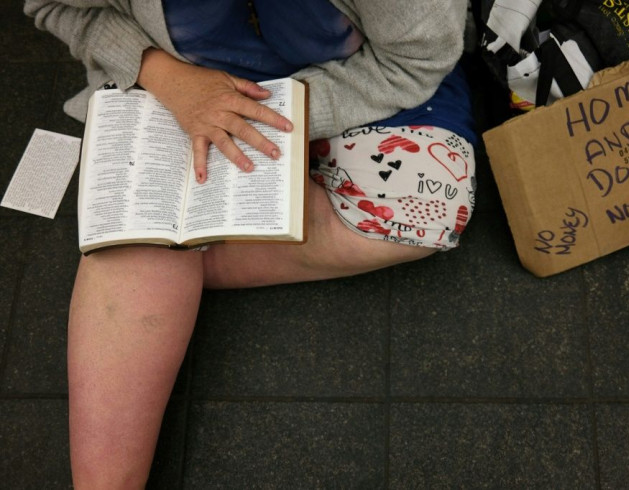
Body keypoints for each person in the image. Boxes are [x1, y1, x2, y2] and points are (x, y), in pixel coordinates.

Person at [24, 0, 477, 487]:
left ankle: (152, 237)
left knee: (426, 211)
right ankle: (155, 235)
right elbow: (51, 6)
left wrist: (267, 116)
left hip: (356, 80)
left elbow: (416, 61)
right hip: (180, 85)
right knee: (144, 234)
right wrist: (161, 74)